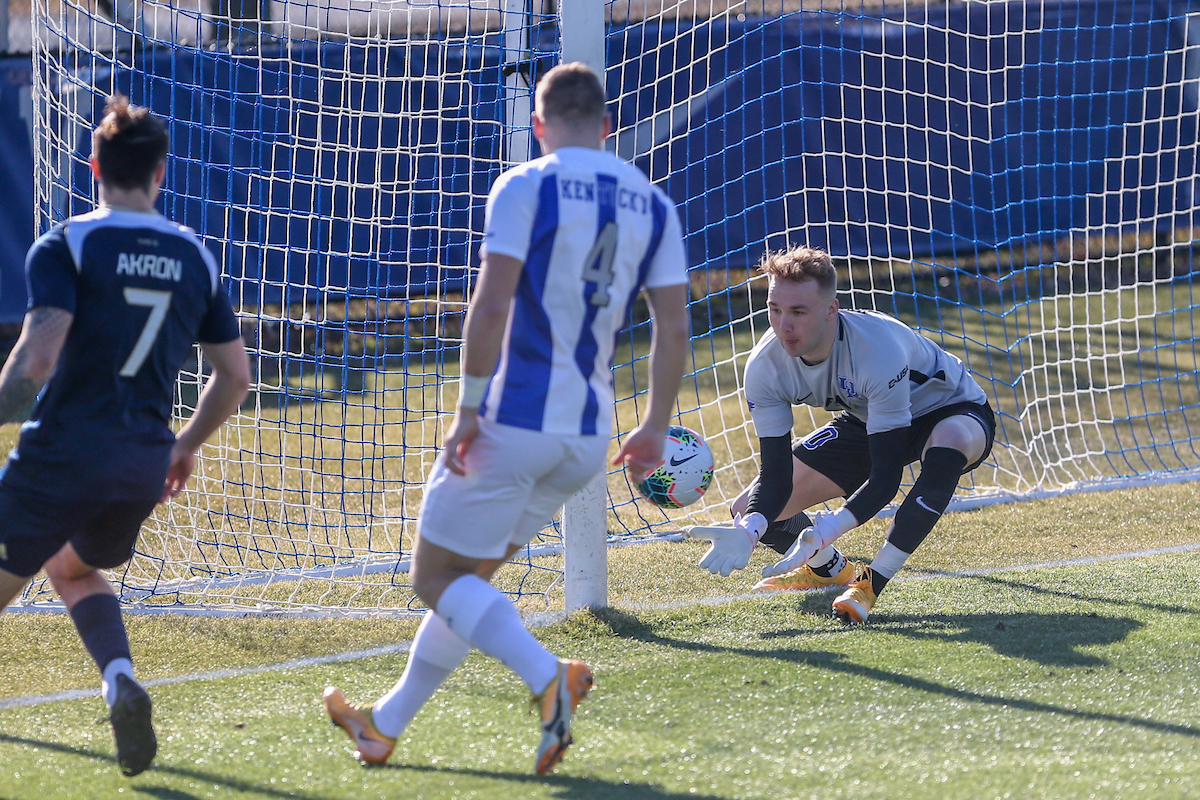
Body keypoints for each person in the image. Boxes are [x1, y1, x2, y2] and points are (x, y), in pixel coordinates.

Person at [323, 62, 690, 774]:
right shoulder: (653, 202)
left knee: (435, 578)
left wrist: (466, 411)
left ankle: (550, 676)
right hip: (588, 436)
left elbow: (490, 306)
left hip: (512, 422)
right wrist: (653, 426)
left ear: (539, 124)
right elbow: (672, 330)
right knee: (468, 584)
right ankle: (383, 725)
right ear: (607, 125)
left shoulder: (525, 184)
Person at [0, 96, 250, 776]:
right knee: (73, 568)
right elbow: (234, 377)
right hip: (140, 464)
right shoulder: (194, 254)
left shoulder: (68, 242)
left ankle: (121, 681)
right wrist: (185, 444)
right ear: (160, 172)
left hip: (63, 453)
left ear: (94, 166)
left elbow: (37, 358)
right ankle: (119, 680)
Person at [687, 245, 995, 623]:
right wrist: (750, 530)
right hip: (868, 418)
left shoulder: (876, 349)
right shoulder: (764, 368)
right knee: (748, 508)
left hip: (950, 409)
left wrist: (828, 527)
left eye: (799, 312)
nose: (784, 325)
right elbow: (776, 477)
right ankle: (830, 570)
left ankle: (869, 584)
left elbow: (885, 481)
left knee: (952, 441)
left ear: (831, 310)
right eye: (775, 309)